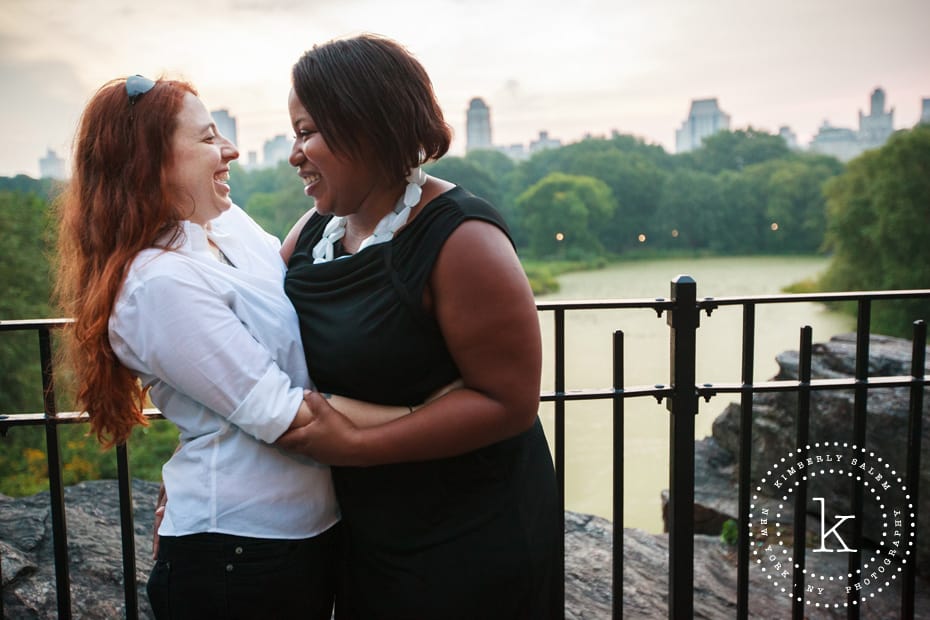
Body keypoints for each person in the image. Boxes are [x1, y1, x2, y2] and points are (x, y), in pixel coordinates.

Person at [55, 75, 414, 619]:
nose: (231, 151)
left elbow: (321, 246)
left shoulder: (226, 226)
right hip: (237, 553)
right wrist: (437, 411)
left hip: (304, 535)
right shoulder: (158, 284)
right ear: (148, 162)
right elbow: (287, 419)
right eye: (206, 140)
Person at [277, 34, 562, 619]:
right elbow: (253, 348)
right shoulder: (311, 233)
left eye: (307, 132)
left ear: (366, 124)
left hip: (470, 538)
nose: (294, 154)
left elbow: (508, 402)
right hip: (365, 529)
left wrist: (358, 444)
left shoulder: (462, 239)